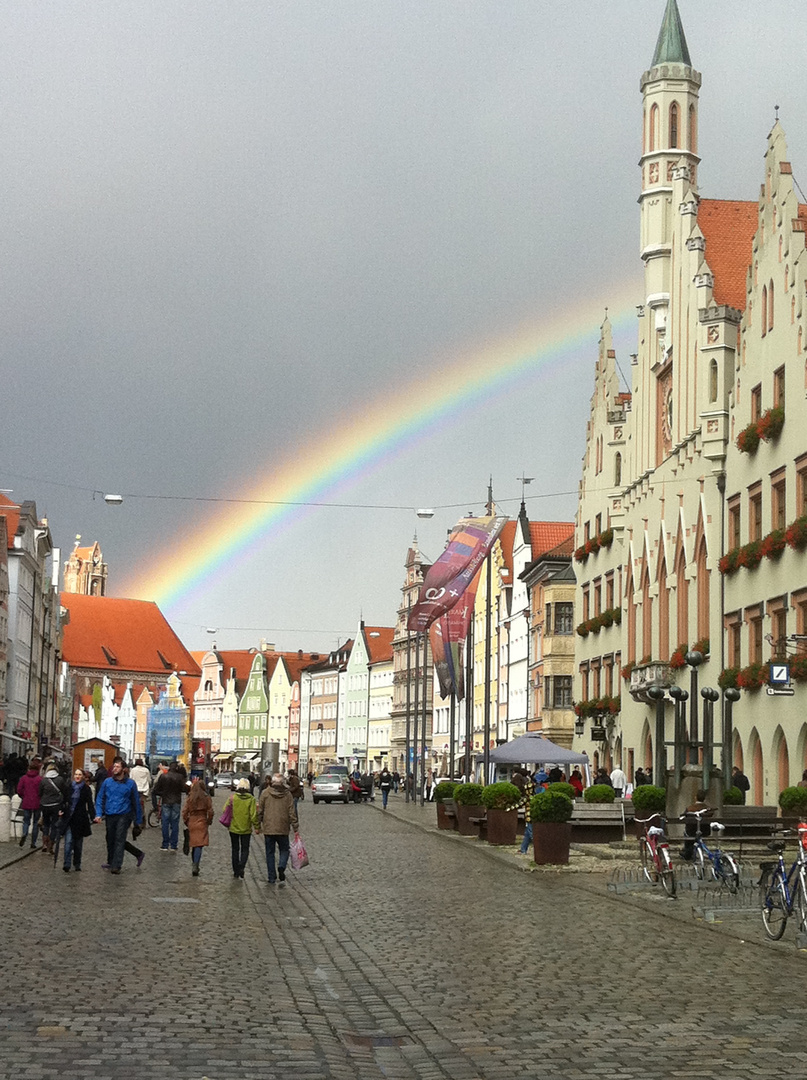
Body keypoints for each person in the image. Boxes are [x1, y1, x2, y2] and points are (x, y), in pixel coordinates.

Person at [94, 759, 143, 874]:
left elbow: (136, 802)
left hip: (124, 814)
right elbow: (100, 798)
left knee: (119, 839)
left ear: (123, 769)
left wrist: (138, 821)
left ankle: (117, 865)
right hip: (110, 814)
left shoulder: (130, 784)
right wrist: (98, 814)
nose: (114, 769)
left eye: (117, 767)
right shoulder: (107, 782)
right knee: (110, 838)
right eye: (114, 766)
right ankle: (111, 861)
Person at [256, 772, 299, 886]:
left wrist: (257, 824)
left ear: (272, 781)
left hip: (269, 828)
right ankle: (281, 866)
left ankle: (271, 877)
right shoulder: (287, 794)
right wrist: (295, 827)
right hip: (283, 827)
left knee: (270, 853)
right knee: (284, 850)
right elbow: (292, 812)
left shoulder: (265, 793)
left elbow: (260, 810)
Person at [59, 769, 96, 873]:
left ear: (83, 776)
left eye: (79, 774)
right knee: (68, 842)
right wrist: (61, 810)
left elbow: (90, 803)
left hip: (80, 819)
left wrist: (94, 816)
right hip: (69, 818)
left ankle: (77, 863)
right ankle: (66, 864)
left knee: (78, 844)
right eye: (76, 774)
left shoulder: (86, 789)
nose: (77, 776)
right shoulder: (69, 787)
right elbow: (64, 800)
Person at [227, 777, 258, 879]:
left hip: (233, 828)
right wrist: (257, 827)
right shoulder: (251, 799)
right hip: (246, 829)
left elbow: (225, 810)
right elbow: (253, 815)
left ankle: (236, 870)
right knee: (245, 849)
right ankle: (241, 866)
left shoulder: (232, 798)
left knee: (235, 849)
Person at [182, 778, 214, 877]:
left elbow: (185, 811)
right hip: (202, 821)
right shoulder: (206, 797)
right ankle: (196, 864)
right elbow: (210, 811)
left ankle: (194, 864)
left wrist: (186, 821)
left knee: (193, 844)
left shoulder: (190, 797)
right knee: (199, 845)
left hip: (192, 820)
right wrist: (209, 820)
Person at [153, 760, 186, 851]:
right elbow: (184, 789)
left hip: (166, 801)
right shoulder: (180, 777)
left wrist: (163, 794)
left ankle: (165, 844)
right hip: (176, 801)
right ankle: (174, 845)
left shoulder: (164, 776)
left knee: (165, 823)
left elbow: (156, 790)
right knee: (175, 823)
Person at [39, 764, 68, 855]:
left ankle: (44, 844)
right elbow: (65, 792)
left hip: (45, 805)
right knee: (54, 825)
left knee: (46, 824)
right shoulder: (60, 779)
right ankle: (51, 845)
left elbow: (40, 792)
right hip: (56, 805)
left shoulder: (43, 780)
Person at [16, 758, 42, 849]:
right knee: (35, 822)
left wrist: (23, 796)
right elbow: (42, 791)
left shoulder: (23, 778)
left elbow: (19, 790)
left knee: (26, 821)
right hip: (37, 803)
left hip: (26, 802)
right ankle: (33, 843)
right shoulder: (39, 779)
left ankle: (25, 833)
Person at [681, 788, 711, 860]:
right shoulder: (707, 808)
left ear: (695, 797)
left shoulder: (690, 808)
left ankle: (687, 852)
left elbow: (683, 817)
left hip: (691, 831)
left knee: (687, 832)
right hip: (705, 831)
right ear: (704, 798)